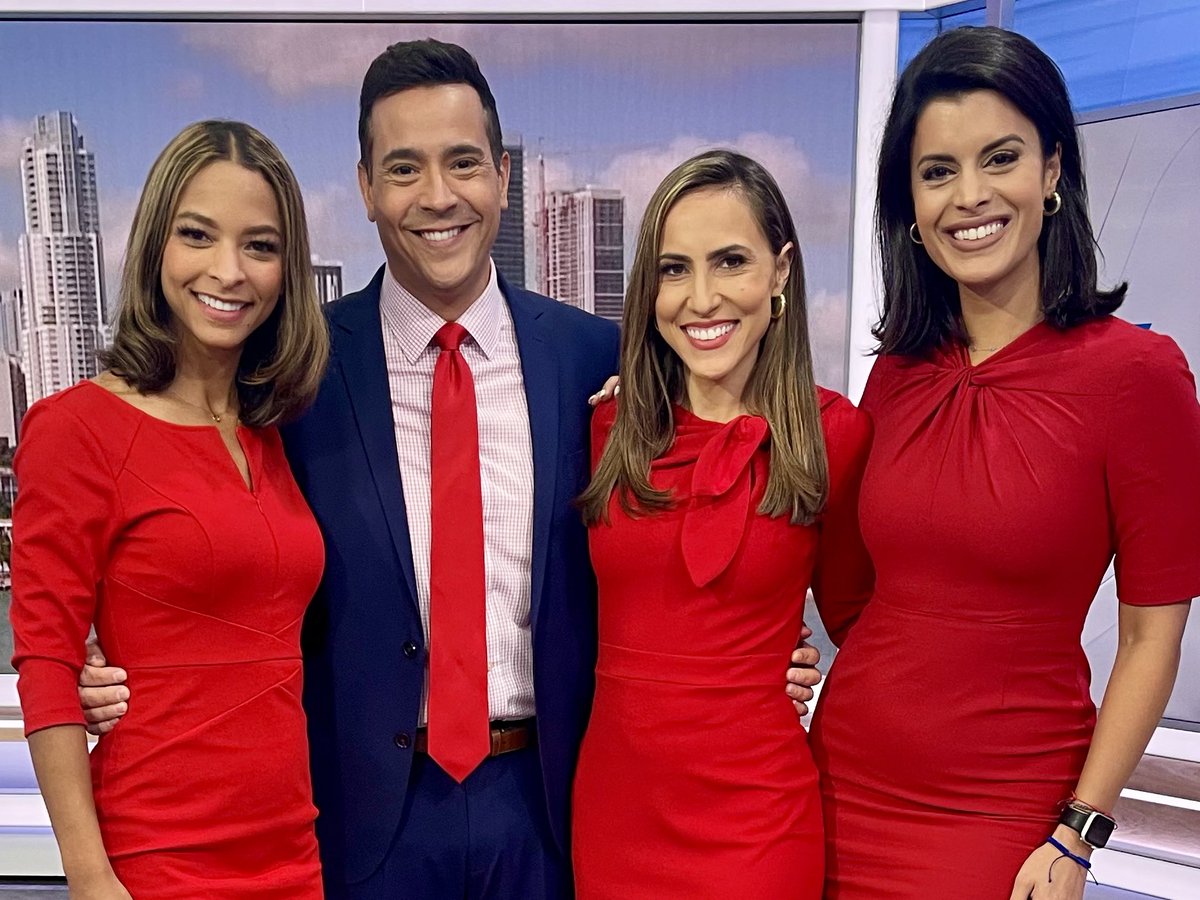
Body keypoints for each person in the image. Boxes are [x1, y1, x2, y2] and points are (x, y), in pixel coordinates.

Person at [74, 40, 825, 898]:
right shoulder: (290, 370)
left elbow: (683, 535)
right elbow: (198, 517)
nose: (438, 196)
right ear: (364, 187)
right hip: (359, 818)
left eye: (462, 162)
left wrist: (775, 654)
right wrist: (121, 650)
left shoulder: (596, 362)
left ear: (501, 176)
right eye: (404, 168)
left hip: (551, 810)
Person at [801, 26, 1200, 899]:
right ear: (907, 201)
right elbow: (857, 592)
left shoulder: (1138, 376)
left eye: (1001, 157)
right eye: (937, 171)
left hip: (1007, 814)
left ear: (1052, 171)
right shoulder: (897, 374)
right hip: (835, 787)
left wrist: (1078, 833)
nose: (969, 196)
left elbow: (1150, 638)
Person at [11, 120, 330, 898]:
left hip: (294, 854)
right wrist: (91, 879)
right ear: (156, 245)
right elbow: (47, 664)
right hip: (155, 860)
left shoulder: (277, 432)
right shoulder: (76, 428)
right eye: (197, 235)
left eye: (259, 245)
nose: (228, 270)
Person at [572, 150, 873, 898]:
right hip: (615, 822)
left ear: (780, 272)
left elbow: (863, 623)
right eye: (673, 270)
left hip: (758, 828)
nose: (700, 298)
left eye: (730, 261)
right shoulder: (604, 426)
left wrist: (802, 668)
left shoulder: (835, 435)